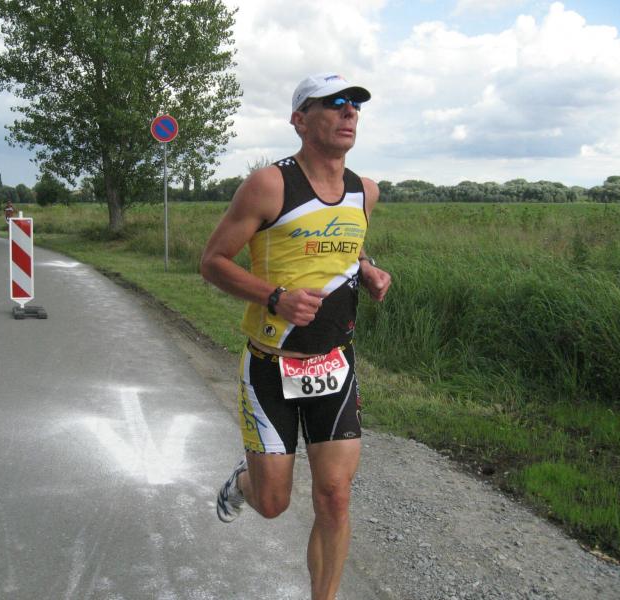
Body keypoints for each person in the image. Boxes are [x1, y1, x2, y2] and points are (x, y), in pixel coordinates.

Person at [200, 73, 392, 600]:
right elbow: (212, 262)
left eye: (355, 104)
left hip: (334, 363)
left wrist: (368, 269)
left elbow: (346, 244)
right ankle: (246, 482)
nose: (349, 112)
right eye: (335, 103)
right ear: (300, 120)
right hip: (271, 364)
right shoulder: (269, 185)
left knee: (334, 497)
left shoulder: (365, 191)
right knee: (273, 503)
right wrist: (274, 297)